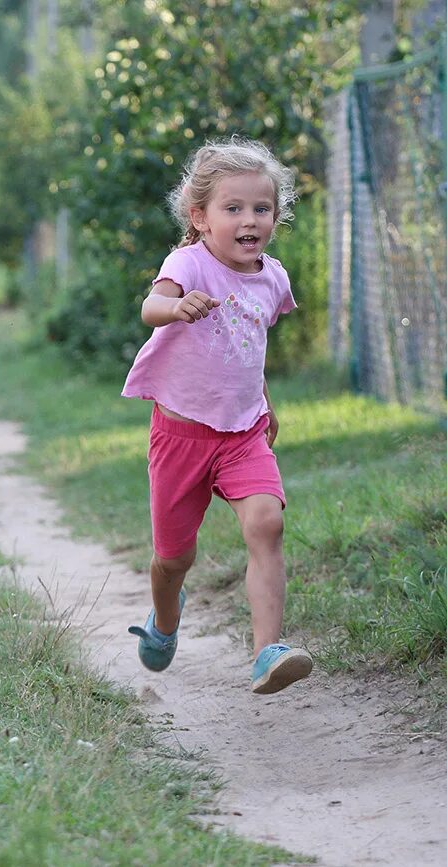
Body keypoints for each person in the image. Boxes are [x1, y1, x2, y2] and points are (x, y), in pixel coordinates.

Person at [122, 136, 313, 695]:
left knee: (267, 523)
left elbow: (248, 346)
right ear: (200, 217)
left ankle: (266, 652)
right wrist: (176, 308)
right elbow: (149, 307)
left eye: (262, 208)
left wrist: (265, 401)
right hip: (181, 435)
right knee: (174, 558)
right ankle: (164, 619)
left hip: (244, 431)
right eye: (233, 208)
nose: (249, 220)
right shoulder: (188, 264)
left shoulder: (272, 276)